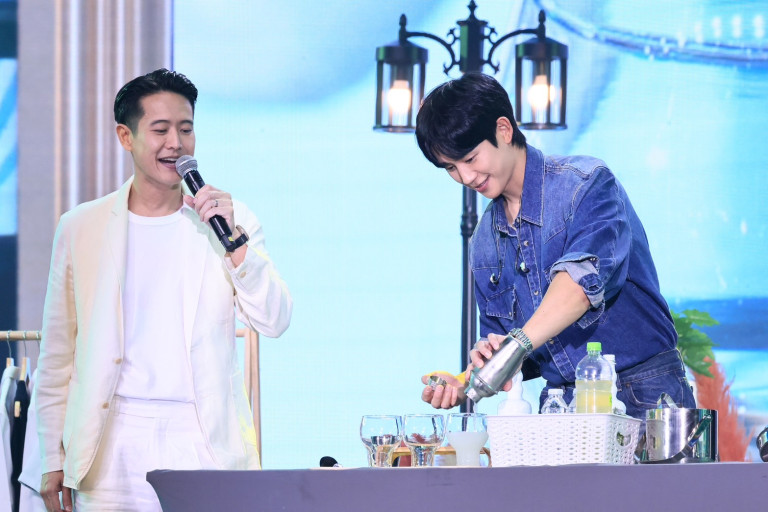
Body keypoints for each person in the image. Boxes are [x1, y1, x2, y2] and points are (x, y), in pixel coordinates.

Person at [35, 68, 292, 511]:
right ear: (126, 136)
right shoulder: (81, 226)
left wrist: (234, 244)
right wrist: (50, 457)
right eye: (160, 130)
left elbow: (274, 320)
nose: (176, 143)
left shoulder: (230, 221)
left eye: (186, 129)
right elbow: (58, 354)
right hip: (111, 448)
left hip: (203, 441)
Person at [416, 72, 695, 420]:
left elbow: (579, 287)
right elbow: (514, 354)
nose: (466, 177)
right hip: (561, 404)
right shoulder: (485, 242)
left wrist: (515, 345)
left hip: (642, 392)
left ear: (503, 130)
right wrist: (467, 380)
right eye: (450, 168)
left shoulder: (586, 185)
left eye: (470, 159)